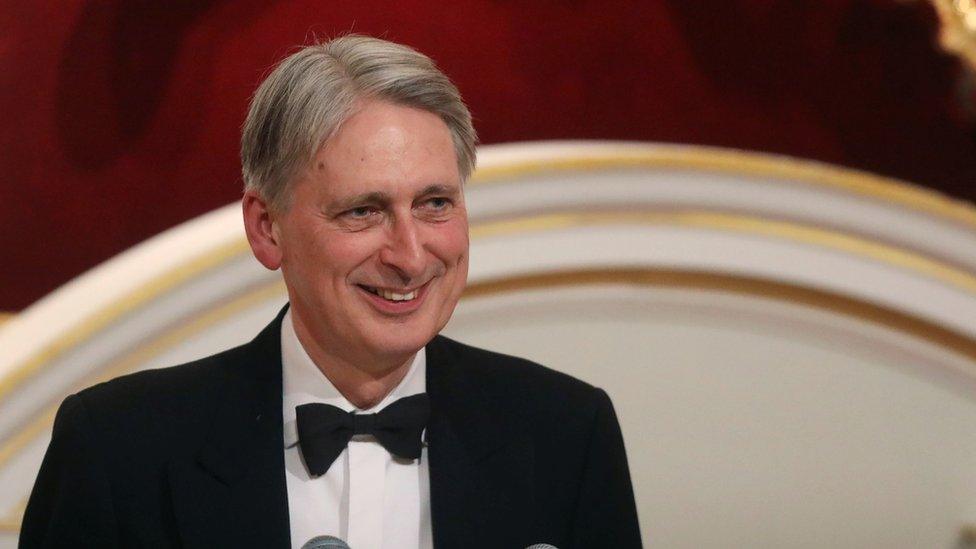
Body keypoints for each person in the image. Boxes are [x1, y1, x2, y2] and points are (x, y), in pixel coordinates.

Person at [20, 35, 642, 549]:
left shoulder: (566, 432)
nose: (410, 255)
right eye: (363, 212)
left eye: (434, 204)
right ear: (267, 229)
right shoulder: (114, 450)